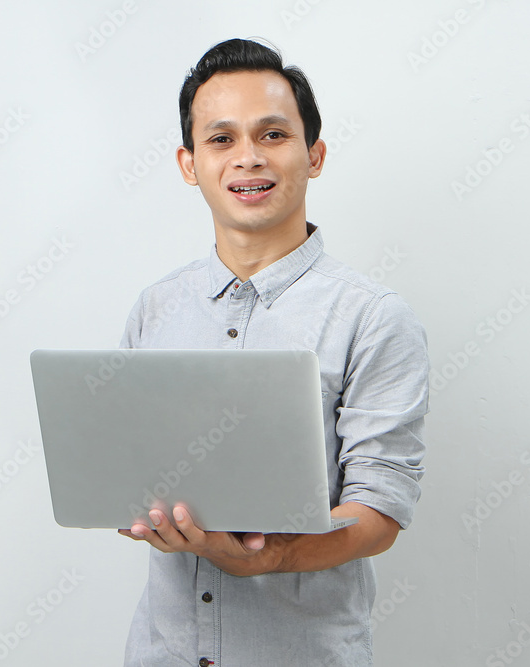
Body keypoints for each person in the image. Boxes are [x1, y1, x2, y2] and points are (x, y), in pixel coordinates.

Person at [116, 37, 429, 666]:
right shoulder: (155, 309)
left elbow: (379, 513)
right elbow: (126, 471)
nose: (248, 157)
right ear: (189, 164)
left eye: (274, 134)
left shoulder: (373, 318)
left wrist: (269, 556)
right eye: (221, 138)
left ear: (314, 155)